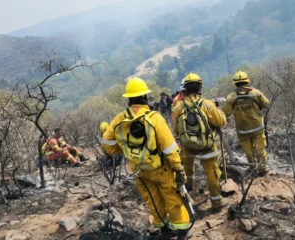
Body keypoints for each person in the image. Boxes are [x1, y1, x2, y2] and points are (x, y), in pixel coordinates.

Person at [101, 78, 191, 239]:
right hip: (161, 169)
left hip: (139, 170)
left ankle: (164, 230)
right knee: (173, 199)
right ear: (145, 96)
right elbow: (169, 147)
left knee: (153, 201)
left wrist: (124, 149)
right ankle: (182, 232)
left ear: (128, 98)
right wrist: (178, 168)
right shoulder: (154, 117)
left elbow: (106, 143)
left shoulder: (119, 119)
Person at [173, 72, 228, 209]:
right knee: (212, 173)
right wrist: (219, 110)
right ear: (200, 88)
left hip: (187, 147)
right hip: (207, 147)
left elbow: (177, 129)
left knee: (187, 166)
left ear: (185, 89)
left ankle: (189, 185)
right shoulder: (207, 105)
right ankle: (216, 201)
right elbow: (221, 122)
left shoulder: (179, 107)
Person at [222, 71, 270, 177]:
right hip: (257, 127)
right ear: (247, 81)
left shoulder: (231, 97)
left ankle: (252, 168)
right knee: (260, 147)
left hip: (242, 130)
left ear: (235, 83)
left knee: (248, 150)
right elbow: (266, 104)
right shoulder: (256, 93)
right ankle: (262, 168)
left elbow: (225, 113)